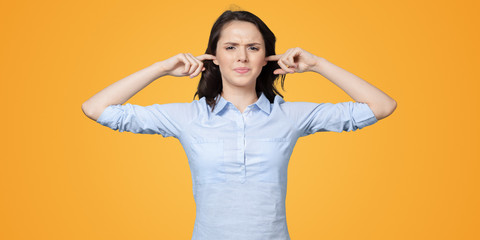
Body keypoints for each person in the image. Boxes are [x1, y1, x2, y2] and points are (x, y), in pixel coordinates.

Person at [82, 10, 396, 240]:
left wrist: (317, 65)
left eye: (253, 48)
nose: (242, 57)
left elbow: (382, 106)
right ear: (214, 57)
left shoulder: (290, 116)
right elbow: (95, 108)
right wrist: (161, 68)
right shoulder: (188, 117)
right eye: (230, 47)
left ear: (266, 59)